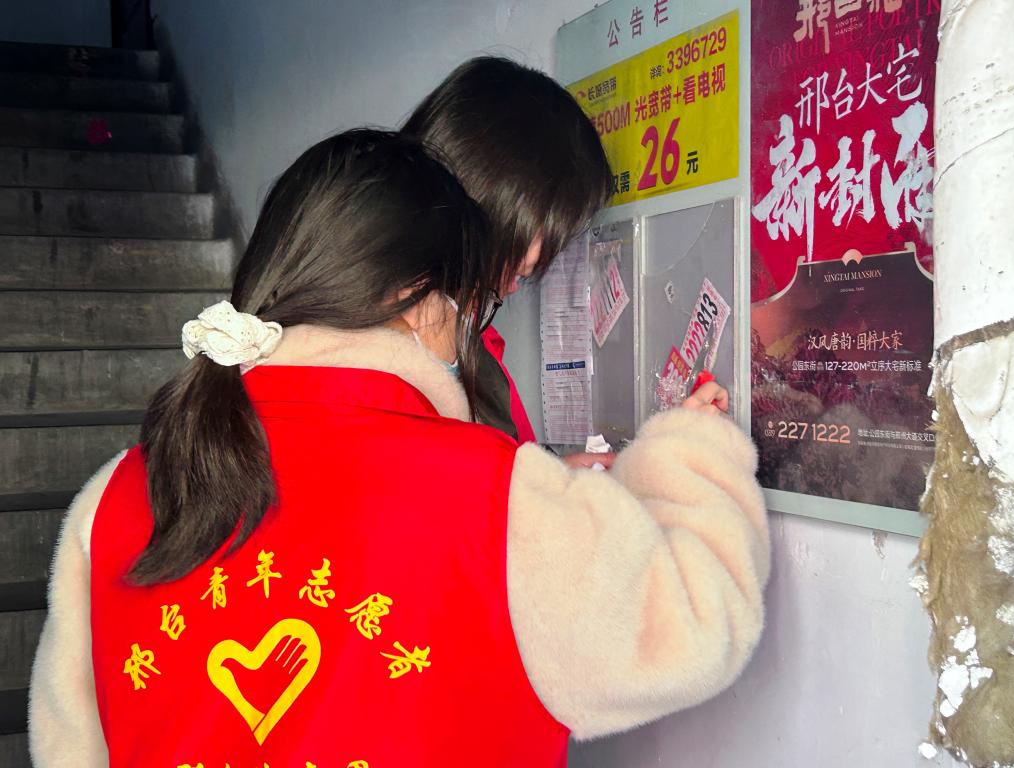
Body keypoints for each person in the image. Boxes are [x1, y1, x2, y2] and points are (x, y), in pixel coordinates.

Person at [29, 129, 768, 767]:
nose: (468, 328)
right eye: (466, 302)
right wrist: (690, 451)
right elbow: (693, 625)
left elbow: (69, 748)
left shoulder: (113, 495)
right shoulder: (495, 494)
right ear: (415, 299)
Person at [402, 56, 627, 464]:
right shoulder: (378, 361)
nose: (522, 275)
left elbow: (494, 471)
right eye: (541, 233)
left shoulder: (474, 337)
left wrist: (552, 477)